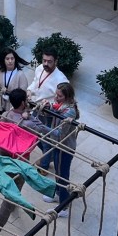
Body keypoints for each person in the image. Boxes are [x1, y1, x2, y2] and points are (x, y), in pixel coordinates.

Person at [25, 82, 80, 217]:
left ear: (67, 97)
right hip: (57, 145)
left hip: (64, 147)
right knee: (58, 172)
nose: (56, 97)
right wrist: (47, 107)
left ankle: (64, 206)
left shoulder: (69, 112)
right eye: (56, 94)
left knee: (62, 175)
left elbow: (59, 134)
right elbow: (54, 112)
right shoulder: (61, 106)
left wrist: (41, 126)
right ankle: (58, 194)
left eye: (59, 96)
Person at [0, 88, 32, 236]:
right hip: (18, 164)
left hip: (4, 159)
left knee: (13, 191)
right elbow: (43, 131)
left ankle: (13, 203)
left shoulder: (6, 115)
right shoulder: (27, 123)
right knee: (9, 199)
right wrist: (29, 115)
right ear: (23, 103)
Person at [0, 47, 30, 117]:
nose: (10, 61)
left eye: (12, 58)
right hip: (0, 106)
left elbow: (24, 95)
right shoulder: (0, 72)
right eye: (7, 59)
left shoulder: (20, 75)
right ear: (3, 60)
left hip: (12, 110)